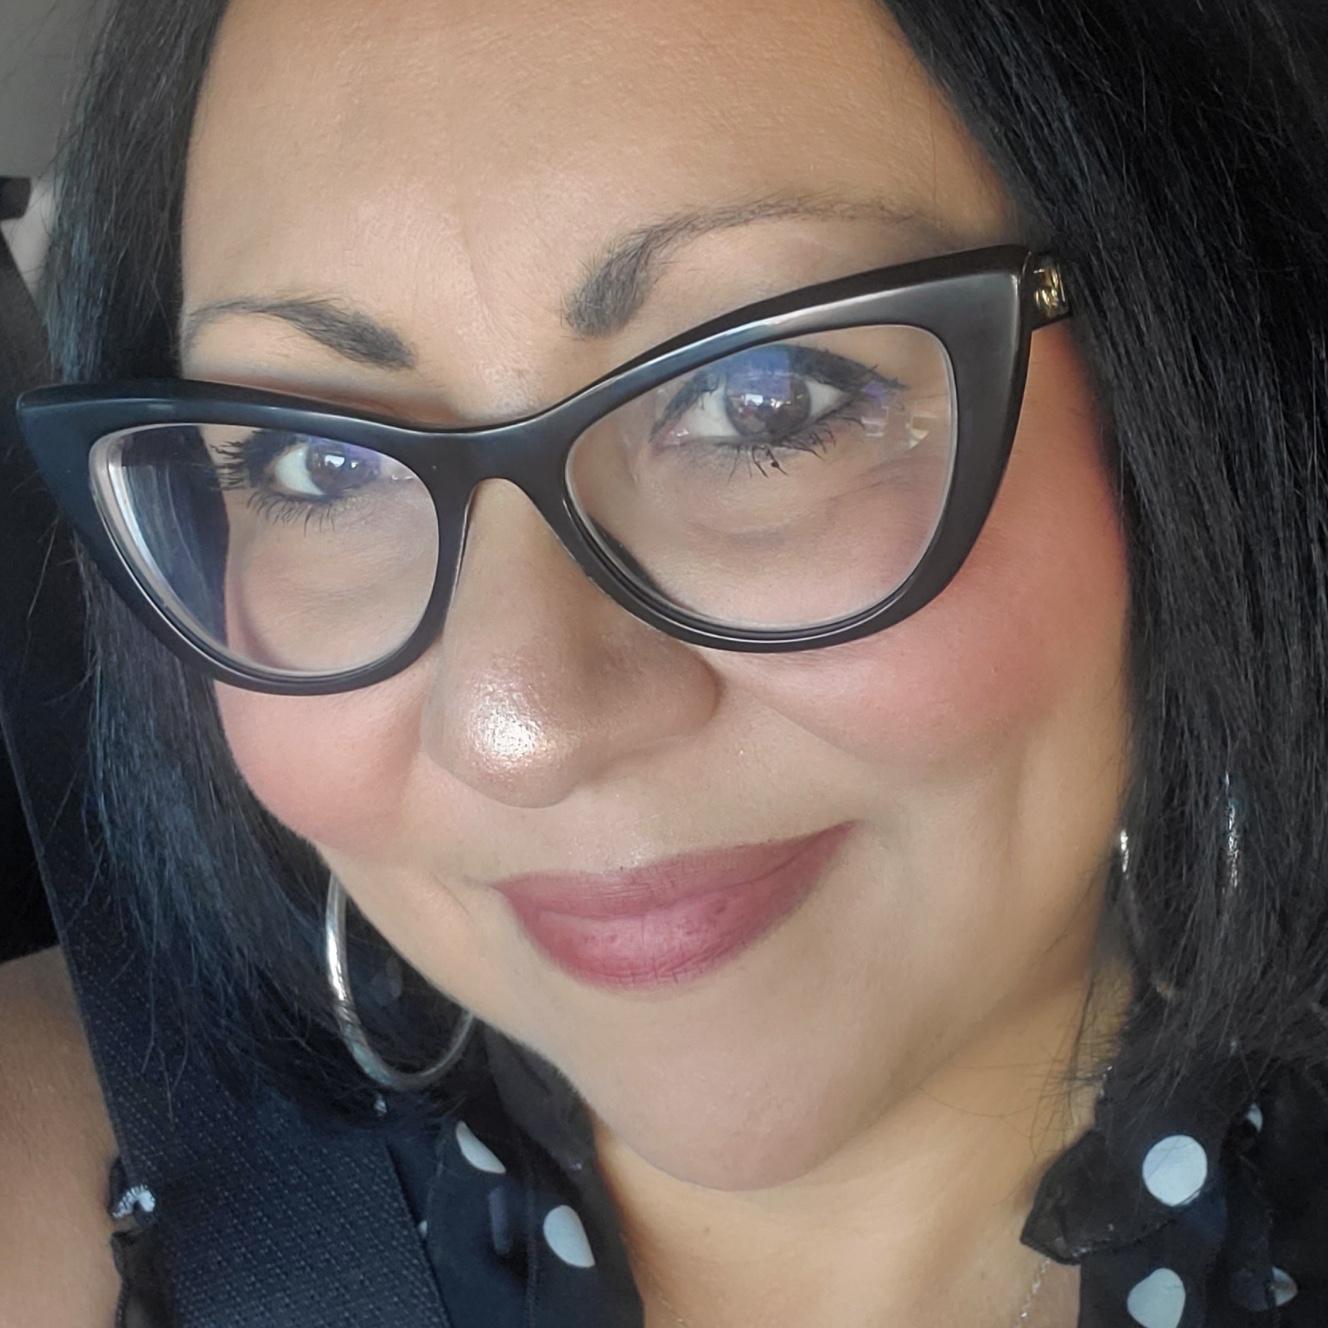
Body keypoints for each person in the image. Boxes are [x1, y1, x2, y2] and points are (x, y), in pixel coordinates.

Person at [3, 0, 1327, 1324]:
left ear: (1184, 395)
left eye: (770, 398)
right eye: (318, 465)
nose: (520, 726)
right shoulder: (79, 1175)